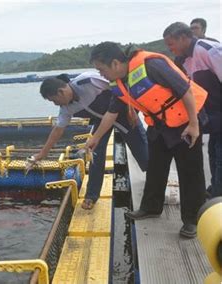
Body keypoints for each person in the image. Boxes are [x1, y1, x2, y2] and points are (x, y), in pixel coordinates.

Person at [86, 42, 208, 238]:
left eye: (101, 69)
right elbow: (111, 113)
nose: (101, 74)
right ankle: (151, 207)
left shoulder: (150, 65)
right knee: (156, 166)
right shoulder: (119, 83)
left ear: (115, 63)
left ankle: (193, 219)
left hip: (185, 120)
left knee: (190, 172)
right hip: (160, 124)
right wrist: (96, 138)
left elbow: (184, 89)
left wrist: (194, 124)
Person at [29, 71, 148, 210]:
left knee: (142, 152)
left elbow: (120, 84)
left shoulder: (88, 81)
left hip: (123, 114)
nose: (55, 104)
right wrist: (42, 154)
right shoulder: (66, 108)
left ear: (61, 92)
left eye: (54, 100)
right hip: (102, 122)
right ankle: (91, 196)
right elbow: (58, 130)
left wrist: (131, 107)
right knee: (94, 153)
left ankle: (155, 180)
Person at [163, 22, 222, 198]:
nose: (170, 48)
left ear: (183, 38)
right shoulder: (183, 59)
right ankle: (216, 188)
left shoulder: (209, 51)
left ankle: (218, 197)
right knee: (213, 151)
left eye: (171, 44)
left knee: (220, 155)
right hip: (213, 113)